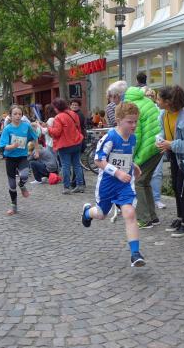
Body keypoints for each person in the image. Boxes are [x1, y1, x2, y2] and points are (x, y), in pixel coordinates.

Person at [81, 102, 146, 267]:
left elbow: (126, 157)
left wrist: (133, 166)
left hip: (124, 185)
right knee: (101, 214)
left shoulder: (133, 138)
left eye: (135, 121)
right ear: (118, 120)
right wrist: (118, 173)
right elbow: (98, 160)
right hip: (108, 183)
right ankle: (87, 212)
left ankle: (135, 254)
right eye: (130, 122)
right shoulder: (110, 137)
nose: (134, 125)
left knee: (130, 213)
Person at [156, 85, 184, 237]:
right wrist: (161, 141)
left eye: (159, 99)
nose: (156, 101)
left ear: (168, 101)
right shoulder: (164, 114)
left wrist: (171, 144)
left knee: (182, 188)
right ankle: (180, 217)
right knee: (176, 186)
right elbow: (163, 131)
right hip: (174, 155)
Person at [124, 83, 161, 228]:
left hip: (147, 149)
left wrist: (131, 156)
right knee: (145, 182)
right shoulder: (146, 101)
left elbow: (136, 136)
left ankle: (144, 219)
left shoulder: (133, 108)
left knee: (138, 182)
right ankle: (152, 216)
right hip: (156, 146)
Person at [0, 105, 40, 214]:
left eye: (20, 114)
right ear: (10, 116)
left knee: (25, 175)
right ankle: (14, 206)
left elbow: (35, 137)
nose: (17, 116)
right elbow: (2, 146)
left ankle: (21, 185)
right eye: (15, 114)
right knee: (12, 185)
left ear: (22, 115)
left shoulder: (26, 126)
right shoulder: (7, 129)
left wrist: (37, 151)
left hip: (22, 156)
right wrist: (12, 146)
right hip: (10, 158)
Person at [46, 97, 85, 194]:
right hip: (77, 142)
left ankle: (66, 187)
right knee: (77, 165)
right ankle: (80, 185)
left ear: (56, 108)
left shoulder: (58, 117)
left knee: (65, 166)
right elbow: (78, 127)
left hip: (65, 145)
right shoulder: (73, 114)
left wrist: (49, 128)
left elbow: (56, 132)